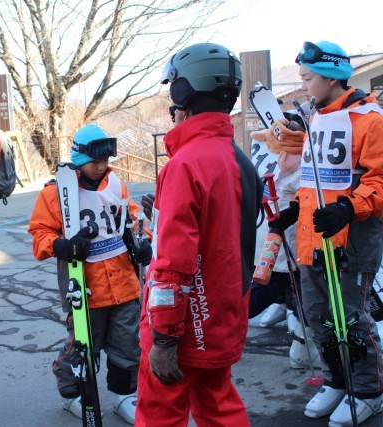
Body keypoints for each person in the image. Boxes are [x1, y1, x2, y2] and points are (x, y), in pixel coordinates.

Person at [136, 43, 262, 426]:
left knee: (161, 413)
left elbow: (173, 262)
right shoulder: (240, 161)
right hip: (222, 318)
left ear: (185, 92)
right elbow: (224, 234)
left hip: (184, 324)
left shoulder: (185, 163)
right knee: (219, 407)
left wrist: (164, 337)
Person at [269, 40, 383, 426]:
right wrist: (293, 210)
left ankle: (368, 390)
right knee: (319, 316)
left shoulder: (369, 119)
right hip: (312, 235)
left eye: (308, 79)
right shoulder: (317, 118)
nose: (303, 87)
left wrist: (348, 208)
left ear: (332, 78)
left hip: (351, 236)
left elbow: (379, 181)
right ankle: (337, 379)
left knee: (349, 317)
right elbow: (315, 179)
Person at [28, 124, 153, 425]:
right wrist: (60, 245)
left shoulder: (114, 183)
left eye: (105, 160)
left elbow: (132, 216)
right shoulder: (56, 192)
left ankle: (124, 394)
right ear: (79, 159)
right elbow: (39, 233)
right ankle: (71, 391)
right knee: (84, 345)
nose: (101, 166)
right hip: (86, 286)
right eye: (95, 161)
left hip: (124, 281)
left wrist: (143, 241)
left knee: (127, 343)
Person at [249, 114, 322, 370]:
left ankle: (303, 347)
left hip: (285, 244)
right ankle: (221, 326)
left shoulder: (291, 159)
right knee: (268, 290)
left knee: (300, 296)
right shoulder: (287, 161)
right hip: (280, 243)